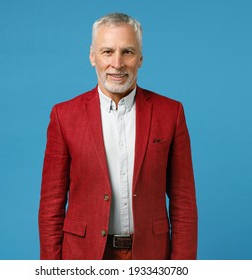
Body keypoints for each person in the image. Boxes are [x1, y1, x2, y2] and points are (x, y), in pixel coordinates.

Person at [38, 12, 197, 260]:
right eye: (107, 51)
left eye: (128, 52)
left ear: (141, 58)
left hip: (150, 256)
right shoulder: (64, 116)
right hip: (83, 256)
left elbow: (183, 203)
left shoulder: (171, 114)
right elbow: (51, 206)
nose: (117, 63)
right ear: (92, 56)